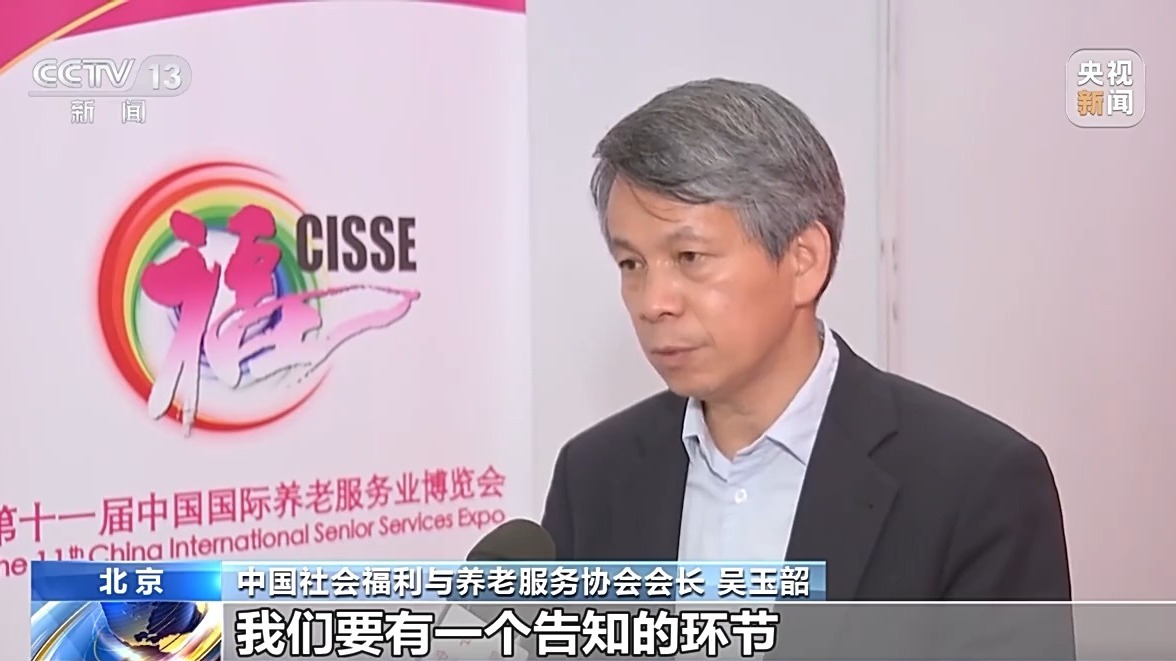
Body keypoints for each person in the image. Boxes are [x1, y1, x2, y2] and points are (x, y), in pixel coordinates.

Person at [540, 79, 1072, 604]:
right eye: (631, 264)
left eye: (690, 258)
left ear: (804, 261)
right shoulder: (592, 478)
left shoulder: (977, 485)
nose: (653, 302)